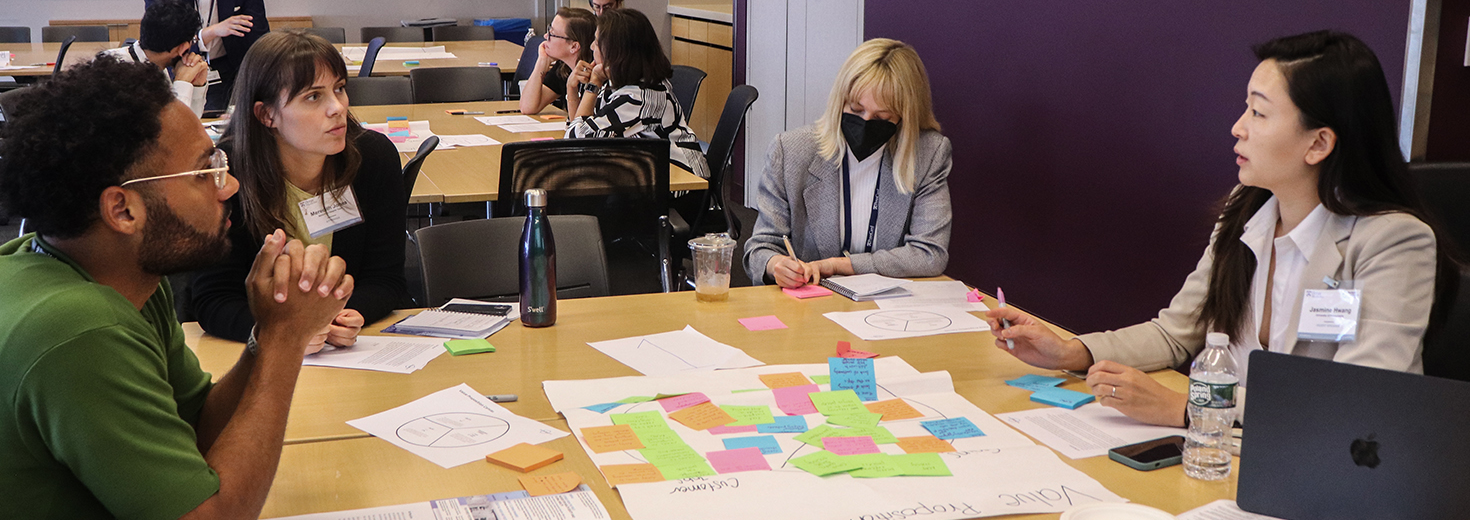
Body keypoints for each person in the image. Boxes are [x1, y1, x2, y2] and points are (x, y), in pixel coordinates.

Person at [985, 30, 1453, 426]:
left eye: (1259, 112)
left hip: (1319, 474)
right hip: (1228, 457)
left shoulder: (1392, 241)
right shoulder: (1246, 209)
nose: (1237, 127)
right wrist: (1069, 352)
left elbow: (1360, 403)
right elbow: (1175, 333)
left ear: (1319, 143)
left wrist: (1193, 408)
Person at [0, 55, 352, 519]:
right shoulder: (80, 330)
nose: (228, 187)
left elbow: (197, 425)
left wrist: (267, 330)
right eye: (204, 171)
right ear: (123, 211)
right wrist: (287, 340)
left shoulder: (112, 273)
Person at [192, 30, 408, 347]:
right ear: (267, 115)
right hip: (251, 357)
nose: (337, 107)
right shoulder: (228, 176)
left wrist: (350, 314)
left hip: (351, 356)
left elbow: (386, 279)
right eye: (313, 97)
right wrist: (281, 334)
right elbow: (213, 300)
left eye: (339, 89)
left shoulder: (373, 159)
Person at [743, 38, 951, 287]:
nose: (865, 122)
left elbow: (929, 255)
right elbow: (760, 247)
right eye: (855, 109)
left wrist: (839, 266)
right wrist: (775, 264)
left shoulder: (928, 154)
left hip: (884, 307)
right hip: (808, 303)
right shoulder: (791, 151)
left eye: (882, 117)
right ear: (839, 101)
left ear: (904, 118)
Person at [567, 8, 709, 180]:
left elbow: (575, 141)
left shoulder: (639, 98)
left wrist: (594, 83)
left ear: (615, 52)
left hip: (683, 180)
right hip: (650, 170)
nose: (591, 47)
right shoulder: (622, 82)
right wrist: (572, 90)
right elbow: (583, 125)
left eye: (596, 43)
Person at [104, 0, 210, 116]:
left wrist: (197, 86)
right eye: (193, 41)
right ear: (183, 47)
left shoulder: (159, 66)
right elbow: (170, 129)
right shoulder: (112, 66)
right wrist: (182, 82)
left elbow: (190, 125)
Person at [519, 7, 596, 115]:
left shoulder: (595, 75)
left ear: (574, 46)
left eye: (552, 34)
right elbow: (527, 108)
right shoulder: (563, 67)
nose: (546, 36)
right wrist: (541, 63)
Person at [199, 0, 269, 111]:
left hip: (229, 69)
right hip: (183, 65)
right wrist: (211, 32)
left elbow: (259, 37)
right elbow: (169, 39)